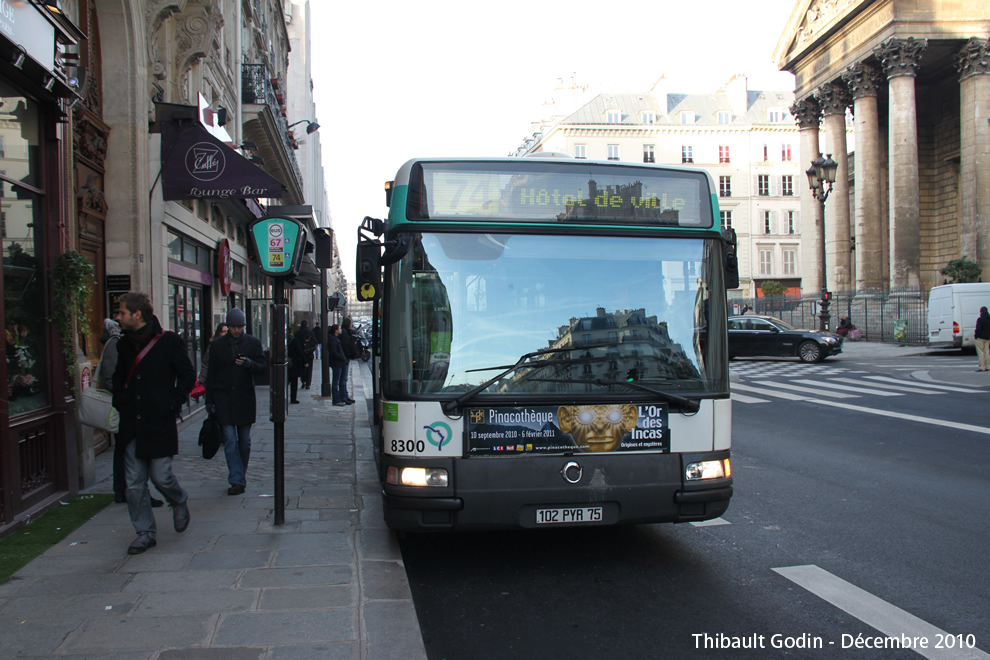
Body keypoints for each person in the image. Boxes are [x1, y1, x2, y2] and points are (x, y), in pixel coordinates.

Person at [112, 292, 195, 555]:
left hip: (158, 422)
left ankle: (178, 499)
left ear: (137, 314)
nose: (118, 316)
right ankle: (145, 532)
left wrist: (172, 402)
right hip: (131, 424)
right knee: (134, 484)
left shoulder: (168, 341)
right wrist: (121, 399)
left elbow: (187, 374)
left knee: (161, 476)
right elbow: (117, 378)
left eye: (122, 312)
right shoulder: (123, 344)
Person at [205, 308, 267, 495]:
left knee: (244, 442)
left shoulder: (253, 343)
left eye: (239, 327)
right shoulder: (217, 346)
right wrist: (209, 401)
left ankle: (240, 473)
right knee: (230, 440)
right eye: (233, 327)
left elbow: (262, 368)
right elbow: (211, 374)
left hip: (244, 398)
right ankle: (236, 479)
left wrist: (249, 364)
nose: (236, 330)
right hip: (223, 397)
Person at [197, 322, 228, 386]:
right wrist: (200, 381)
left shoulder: (233, 345)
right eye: (223, 331)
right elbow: (206, 365)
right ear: (218, 333)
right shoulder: (213, 346)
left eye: (227, 331)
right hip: (216, 382)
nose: (225, 334)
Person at [326, 324, 348, 406]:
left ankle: (338, 398)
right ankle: (336, 399)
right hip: (336, 363)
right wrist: (341, 357)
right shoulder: (333, 339)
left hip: (339, 362)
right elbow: (333, 352)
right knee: (336, 381)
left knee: (337, 380)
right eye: (339, 328)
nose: (341, 330)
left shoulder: (335, 338)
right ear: (336, 330)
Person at [339, 317, 358, 404]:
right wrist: (348, 354)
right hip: (344, 357)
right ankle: (343, 396)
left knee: (344, 378)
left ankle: (345, 395)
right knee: (343, 378)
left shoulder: (345, 332)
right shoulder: (345, 332)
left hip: (345, 357)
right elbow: (346, 345)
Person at [295, 320, 317, 389]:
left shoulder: (297, 333)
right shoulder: (310, 332)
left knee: (302, 368)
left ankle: (303, 381)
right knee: (309, 369)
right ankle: (308, 383)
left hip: (300, 354)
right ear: (307, 325)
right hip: (309, 354)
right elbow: (315, 342)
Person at [287, 328, 305, 404]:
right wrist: (305, 361)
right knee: (294, 382)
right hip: (293, 363)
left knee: (285, 381)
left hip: (284, 362)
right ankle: (293, 398)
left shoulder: (282, 340)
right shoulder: (294, 340)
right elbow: (299, 351)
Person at [974, 306, 990, 372]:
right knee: (987, 352)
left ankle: (982, 367)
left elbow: (978, 329)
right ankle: (988, 366)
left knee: (981, 352)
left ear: (981, 311)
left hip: (980, 338)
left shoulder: (980, 319)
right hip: (988, 338)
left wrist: (976, 335)